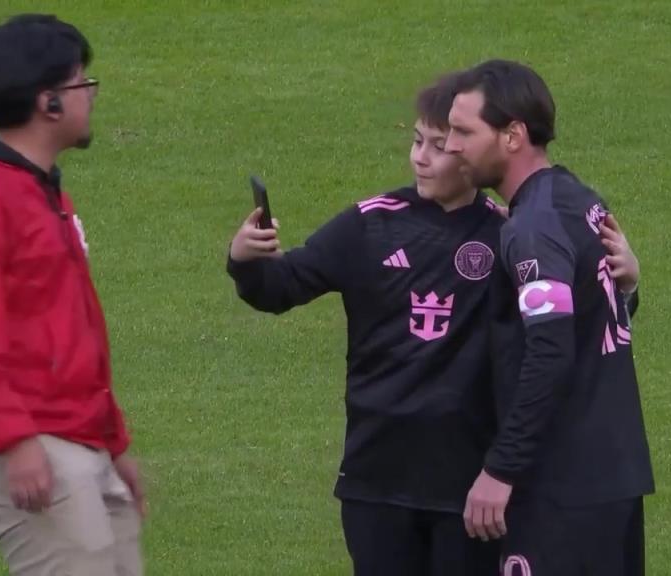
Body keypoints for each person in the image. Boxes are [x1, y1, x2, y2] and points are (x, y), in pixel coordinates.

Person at [227, 75, 642, 575]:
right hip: (377, 480)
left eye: (442, 145)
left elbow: (563, 328)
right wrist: (246, 261)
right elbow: (280, 287)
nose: (421, 158)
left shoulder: (506, 233)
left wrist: (623, 285)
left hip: (471, 489)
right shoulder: (369, 224)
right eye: (417, 141)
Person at [0, 14, 145, 575]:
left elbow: (70, 328)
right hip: (24, 437)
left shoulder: (36, 189)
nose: (91, 95)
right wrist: (14, 442)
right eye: (82, 82)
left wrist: (113, 444)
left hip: (74, 432)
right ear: (49, 102)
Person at [445, 59, 655, 576]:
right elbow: (590, 317)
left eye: (464, 132)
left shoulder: (533, 229)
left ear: (513, 135)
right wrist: (629, 290)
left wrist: (501, 469)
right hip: (613, 478)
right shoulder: (578, 199)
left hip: (560, 489)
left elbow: (552, 350)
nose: (451, 146)